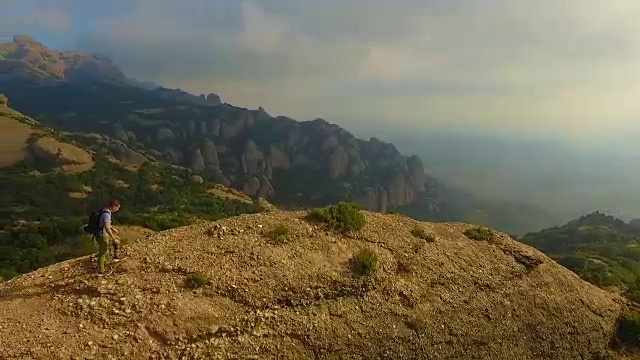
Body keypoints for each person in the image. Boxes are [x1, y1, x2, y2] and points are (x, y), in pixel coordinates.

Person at [95, 200, 123, 276]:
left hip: (100, 233)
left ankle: (115, 257)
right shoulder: (107, 214)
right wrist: (113, 238)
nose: (117, 210)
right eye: (117, 208)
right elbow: (107, 228)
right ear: (114, 206)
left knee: (117, 240)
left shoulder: (104, 210)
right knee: (103, 251)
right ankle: (100, 271)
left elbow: (105, 224)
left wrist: (113, 228)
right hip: (102, 235)